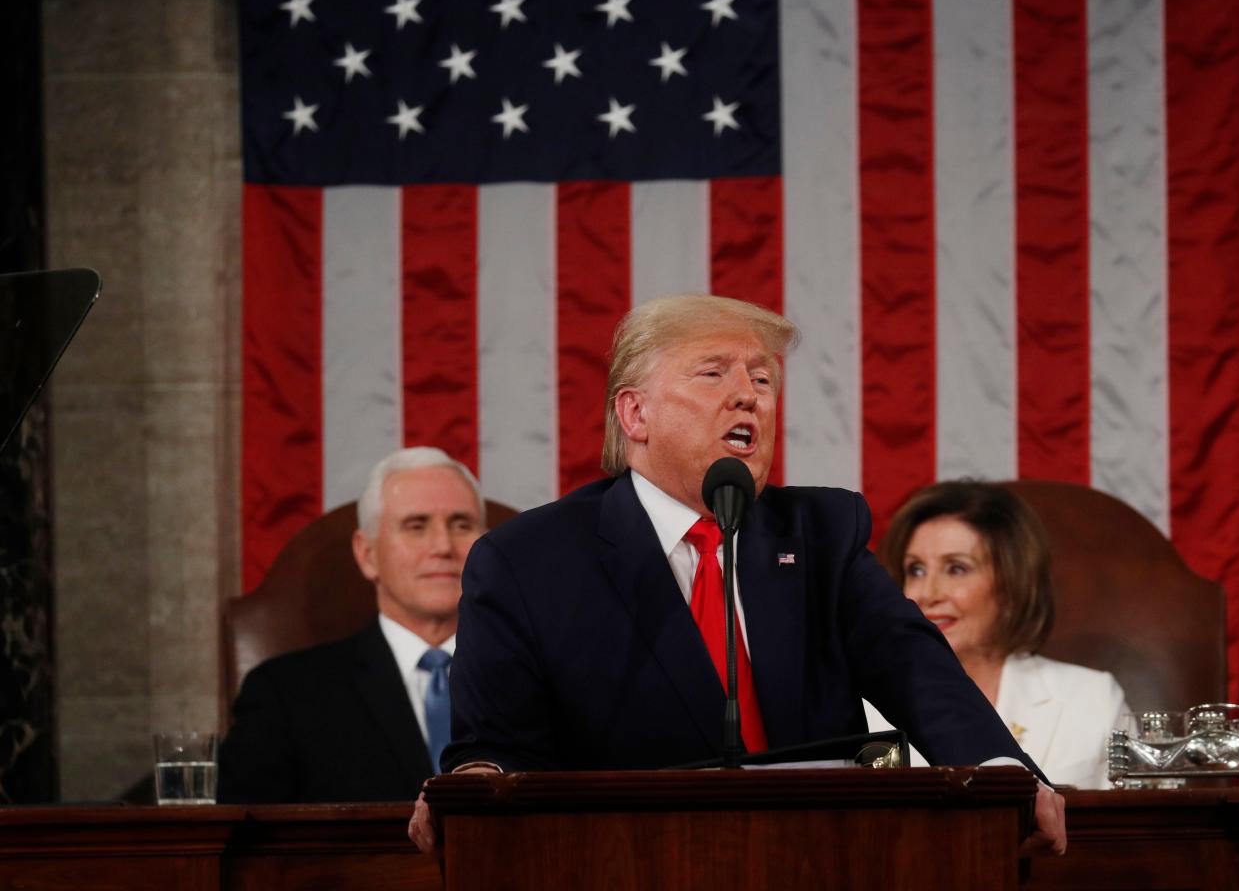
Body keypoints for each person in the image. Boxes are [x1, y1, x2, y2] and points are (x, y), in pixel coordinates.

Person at [408, 294, 1065, 854]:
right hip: (624, 865)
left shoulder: (818, 534)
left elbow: (911, 665)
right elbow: (496, 746)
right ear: (635, 414)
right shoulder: (529, 562)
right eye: (713, 373)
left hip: (824, 860)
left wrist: (1001, 769)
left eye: (762, 378)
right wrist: (477, 780)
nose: (748, 395)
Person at [218, 447, 484, 802]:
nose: (443, 546)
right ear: (367, 554)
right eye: (416, 526)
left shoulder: (540, 682)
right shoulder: (286, 695)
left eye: (462, 525)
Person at [864, 480, 1129, 788]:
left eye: (957, 568)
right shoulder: (862, 707)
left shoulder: (1091, 698)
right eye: (916, 570)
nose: (928, 593)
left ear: (1011, 583)